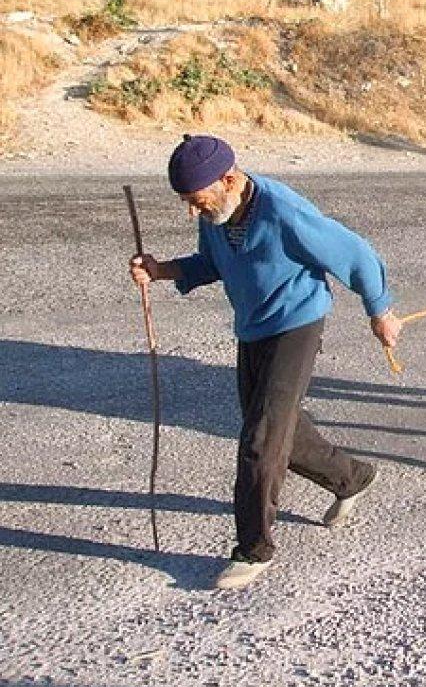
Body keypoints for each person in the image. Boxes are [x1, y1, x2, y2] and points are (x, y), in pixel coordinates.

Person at [129, 134, 403, 590]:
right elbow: (210, 263)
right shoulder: (217, 212)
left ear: (229, 179)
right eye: (187, 203)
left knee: (260, 437)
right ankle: (351, 478)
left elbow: (356, 254)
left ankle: (253, 548)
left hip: (297, 324)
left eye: (196, 201)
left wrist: (381, 311)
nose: (193, 212)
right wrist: (161, 271)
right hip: (253, 327)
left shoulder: (283, 212)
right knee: (282, 432)